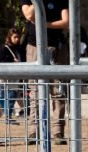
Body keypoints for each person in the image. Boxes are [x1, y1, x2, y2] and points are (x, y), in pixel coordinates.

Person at [22, 0, 69, 144]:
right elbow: (29, 15)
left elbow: (65, 22)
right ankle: (34, 131)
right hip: (35, 47)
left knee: (58, 92)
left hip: (56, 47)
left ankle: (58, 132)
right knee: (35, 91)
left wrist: (45, 24)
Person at [0, 29, 25, 122]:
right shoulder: (4, 49)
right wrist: (12, 62)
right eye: (15, 37)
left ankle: (8, 116)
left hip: (15, 77)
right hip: (5, 76)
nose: (17, 39)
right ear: (9, 37)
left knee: (11, 96)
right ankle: (0, 110)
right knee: (0, 96)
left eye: (18, 37)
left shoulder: (19, 49)